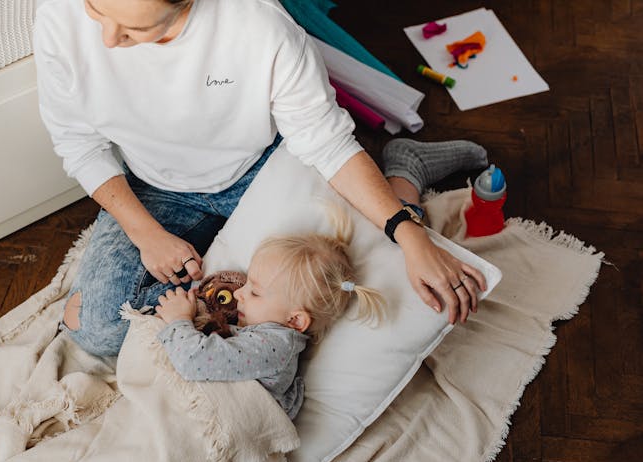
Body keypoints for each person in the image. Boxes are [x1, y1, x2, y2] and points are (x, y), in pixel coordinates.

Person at [33, 0, 487, 357]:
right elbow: (79, 144)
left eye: (134, 29)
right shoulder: (58, 17)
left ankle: (404, 173)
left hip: (263, 170)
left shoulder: (260, 28)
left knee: (344, 283)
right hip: (153, 189)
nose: (107, 39)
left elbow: (327, 145)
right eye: (97, 11)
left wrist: (411, 235)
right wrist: (146, 234)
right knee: (97, 331)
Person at [153, 216, 385, 419]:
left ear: (294, 321)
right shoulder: (264, 333)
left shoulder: (274, 348)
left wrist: (179, 320)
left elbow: (193, 361)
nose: (238, 293)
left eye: (254, 292)